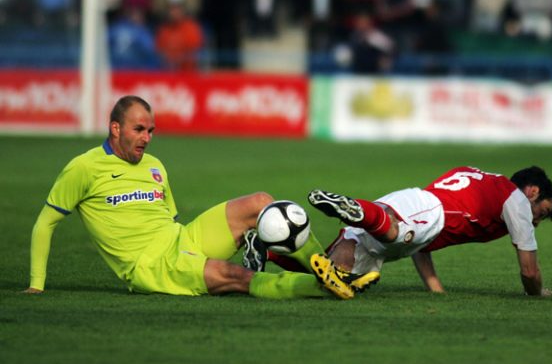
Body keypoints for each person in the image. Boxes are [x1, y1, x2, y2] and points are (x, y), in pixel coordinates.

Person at [25, 95, 378, 300]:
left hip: (181, 239)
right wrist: (36, 286)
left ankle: (329, 268)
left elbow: (170, 220)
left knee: (261, 202)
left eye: (150, 130)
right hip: (152, 267)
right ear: (115, 128)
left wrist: (190, 245)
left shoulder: (154, 165)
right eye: (138, 130)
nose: (146, 138)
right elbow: (45, 223)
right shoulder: (83, 168)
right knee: (237, 278)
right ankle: (323, 287)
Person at [307, 165, 552, 296]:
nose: (535, 221)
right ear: (532, 192)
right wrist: (537, 292)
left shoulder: (481, 177)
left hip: (416, 213)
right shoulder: (515, 199)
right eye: (541, 213)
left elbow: (423, 243)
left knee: (328, 274)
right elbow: (529, 271)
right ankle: (358, 211)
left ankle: (275, 248)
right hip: (427, 210)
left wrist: (435, 288)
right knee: (394, 230)